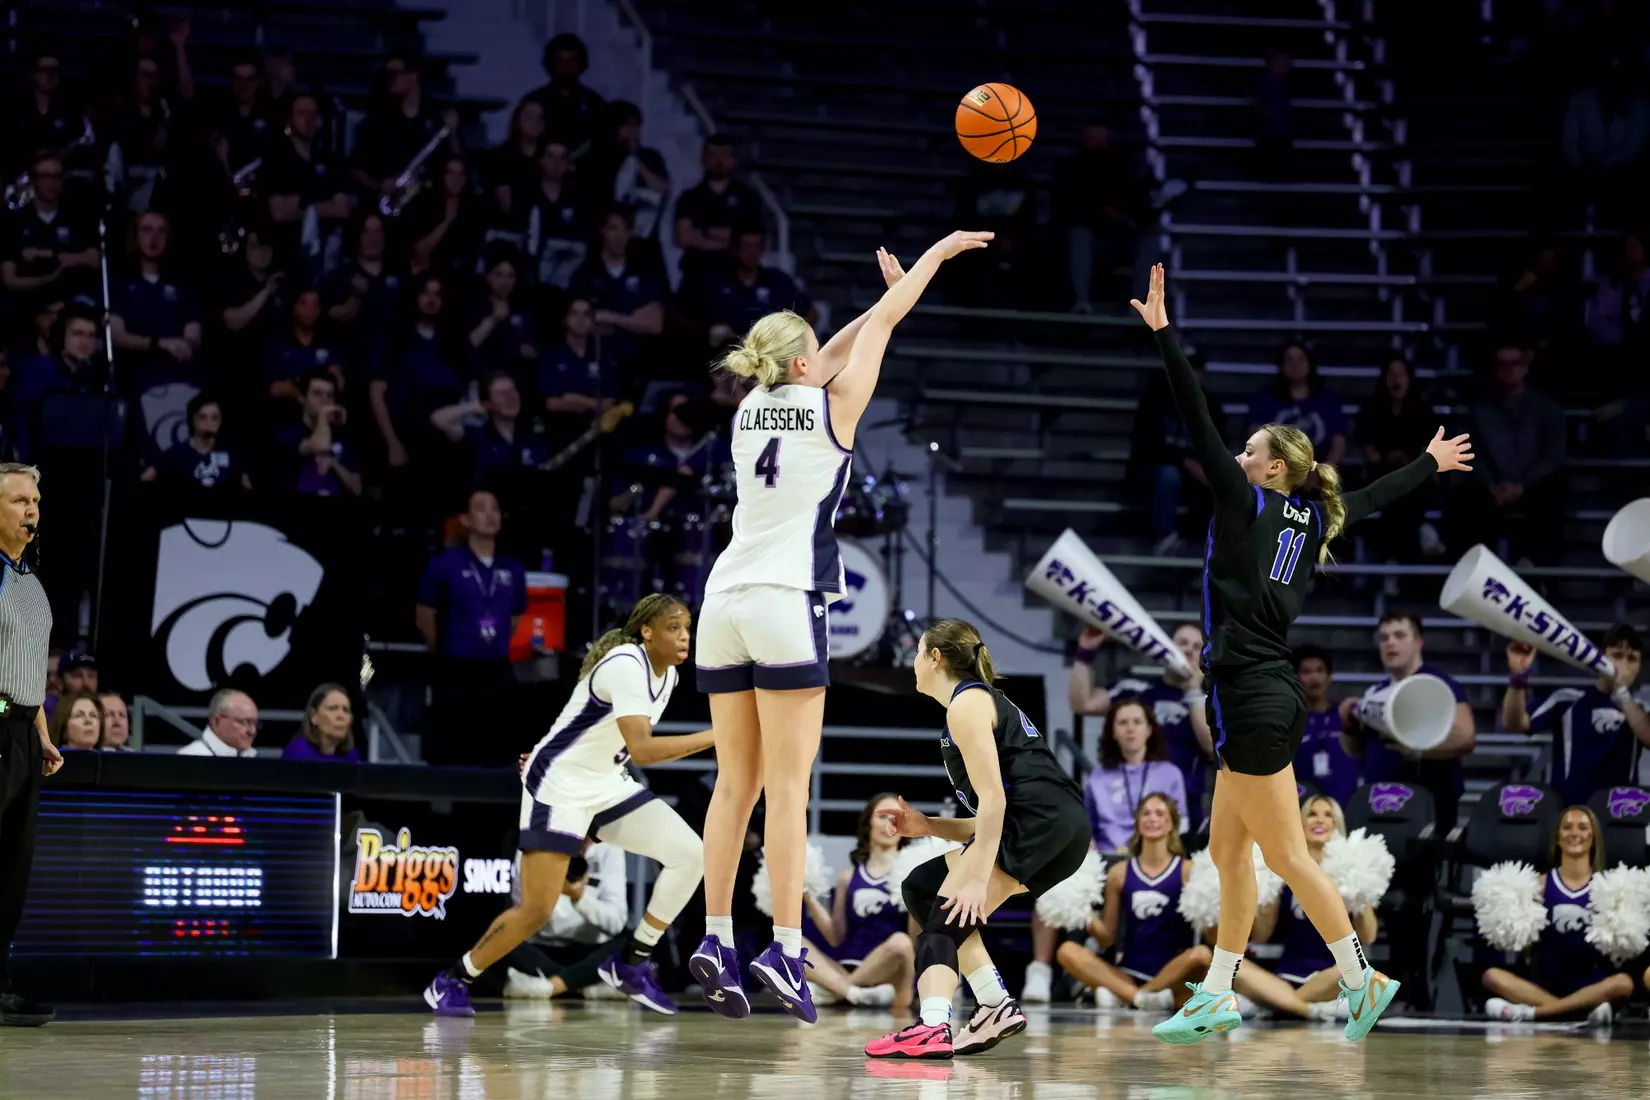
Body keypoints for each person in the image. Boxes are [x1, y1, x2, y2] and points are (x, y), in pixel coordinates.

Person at [1129, 263, 1473, 1044]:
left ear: (1271, 467)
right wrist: (1429, 464)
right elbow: (1376, 498)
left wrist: (1164, 335)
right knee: (1225, 850)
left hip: (1253, 694)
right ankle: (1218, 991)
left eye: (1250, 452)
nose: (1238, 457)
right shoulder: (1312, 517)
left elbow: (1196, 418)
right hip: (1256, 691)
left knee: (1285, 856)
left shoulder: (1248, 502)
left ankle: (1361, 978)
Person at [688, 232, 991, 1023]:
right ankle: (785, 949)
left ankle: (716, 936)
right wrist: (935, 258)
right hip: (787, 601)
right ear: (803, 365)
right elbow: (886, 325)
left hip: (722, 602)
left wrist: (865, 312)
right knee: (787, 790)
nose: (826, 354)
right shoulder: (836, 409)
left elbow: (842, 343)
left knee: (735, 786)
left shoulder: (750, 406)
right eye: (816, 348)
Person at [425, 594, 714, 1017]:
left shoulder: (666, 676)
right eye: (674, 627)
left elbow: (616, 743)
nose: (685, 636)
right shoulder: (626, 664)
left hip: (605, 783)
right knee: (537, 910)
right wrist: (716, 736)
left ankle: (631, 962)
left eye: (688, 628)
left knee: (691, 855)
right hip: (559, 786)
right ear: (647, 631)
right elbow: (644, 749)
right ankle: (453, 978)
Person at [864, 619, 1090, 1059]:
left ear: (936, 657)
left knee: (944, 919)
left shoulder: (965, 704)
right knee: (923, 887)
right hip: (1056, 829)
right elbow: (992, 816)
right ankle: (992, 1003)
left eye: (917, 653)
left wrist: (975, 877)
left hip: (1040, 823)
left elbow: (994, 800)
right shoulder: (976, 705)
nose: (912, 663)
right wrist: (929, 826)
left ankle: (931, 1026)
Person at [0, 462, 64, 1026]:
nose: (32, 512)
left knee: (11, 869)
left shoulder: (30, 582)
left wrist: (42, 734)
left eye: (36, 502)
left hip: (22, 730)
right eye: (21, 501)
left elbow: (29, 672)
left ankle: (0, 985)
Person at [1055, 793, 1208, 1011]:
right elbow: (1107, 938)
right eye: (1145, 813)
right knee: (1067, 950)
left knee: (1202, 954)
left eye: (1159, 813)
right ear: (1137, 823)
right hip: (1128, 974)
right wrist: (1080, 904)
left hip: (1175, 975)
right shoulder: (1119, 873)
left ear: (1171, 823)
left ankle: (1131, 997)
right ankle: (1141, 997)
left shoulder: (1188, 870)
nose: (1151, 818)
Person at [1481, 806, 1633, 1024]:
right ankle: (1578, 1012)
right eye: (1567, 827)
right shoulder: (1536, 886)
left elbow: (1616, 953)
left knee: (1623, 983)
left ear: (1593, 837)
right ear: (1557, 837)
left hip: (1590, 986)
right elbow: (1523, 950)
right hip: (1542, 985)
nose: (1574, 833)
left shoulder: (1607, 889)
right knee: (1492, 976)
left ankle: (1532, 1014)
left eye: (1582, 827)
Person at [1234, 796, 1377, 1021]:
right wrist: (1266, 889)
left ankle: (1278, 1004)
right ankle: (1309, 1010)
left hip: (1332, 978)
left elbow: (1368, 936)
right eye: (1312, 814)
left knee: (1356, 966)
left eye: (1328, 815)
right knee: (1233, 966)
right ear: (1299, 824)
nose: (1319, 820)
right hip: (1285, 977)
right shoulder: (1282, 868)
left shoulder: (1351, 869)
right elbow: (1261, 936)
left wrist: (1359, 891)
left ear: (1336, 825)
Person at [414, 490, 526, 766]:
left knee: (497, 750)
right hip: (457, 668)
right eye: (481, 509)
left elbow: (514, 616)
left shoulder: (513, 568)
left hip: (496, 668)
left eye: (495, 509)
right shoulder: (445, 564)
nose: (490, 515)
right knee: (455, 750)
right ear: (465, 518)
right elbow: (424, 614)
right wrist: (442, 649)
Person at [1339, 613, 1476, 832]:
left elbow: (1466, 737)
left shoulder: (1439, 684)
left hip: (1428, 805)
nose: (1390, 643)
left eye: (1399, 635)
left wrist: (1415, 750)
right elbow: (1357, 751)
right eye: (1384, 638)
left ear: (1418, 642)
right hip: (1379, 804)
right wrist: (1349, 726)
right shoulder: (1375, 691)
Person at [1068, 624, 1212, 827]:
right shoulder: (1137, 690)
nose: (1189, 650)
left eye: (1197, 646)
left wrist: (1194, 692)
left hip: (1183, 811)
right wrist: (1085, 653)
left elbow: (1211, 747)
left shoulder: (1211, 702)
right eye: (1182, 643)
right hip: (1130, 808)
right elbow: (1083, 704)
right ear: (1167, 648)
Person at [1446, 343, 1566, 566]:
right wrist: (1490, 484)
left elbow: (1554, 455)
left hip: (1533, 486)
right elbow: (1471, 451)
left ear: (1525, 367)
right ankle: (1476, 571)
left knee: (1554, 493)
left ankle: (1538, 571)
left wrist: (1522, 486)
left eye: (1515, 363)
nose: (1509, 370)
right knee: (1461, 498)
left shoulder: (1546, 408)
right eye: (1503, 364)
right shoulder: (1480, 410)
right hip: (1492, 488)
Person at [1502, 626, 1648, 806]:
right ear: (1599, 658)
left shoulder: (1641, 711)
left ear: (1639, 667)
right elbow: (1515, 724)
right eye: (1616, 656)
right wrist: (1518, 679)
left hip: (1620, 816)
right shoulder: (1566, 699)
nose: (1623, 665)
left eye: (1632, 659)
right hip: (1570, 814)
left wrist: (1621, 693)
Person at [800, 792, 916, 1012]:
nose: (888, 824)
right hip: (850, 967)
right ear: (869, 822)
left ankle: (836, 991)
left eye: (896, 818)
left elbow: (913, 943)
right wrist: (807, 894)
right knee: (792, 943)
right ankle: (854, 993)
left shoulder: (912, 874)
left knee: (900, 942)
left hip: (892, 971)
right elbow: (836, 937)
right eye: (882, 817)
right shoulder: (848, 876)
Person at [501, 838, 629, 999]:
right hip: (543, 949)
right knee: (501, 940)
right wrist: (551, 891)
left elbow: (616, 922)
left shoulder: (611, 846)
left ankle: (550, 987)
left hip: (591, 951)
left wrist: (580, 898)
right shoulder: (532, 846)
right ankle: (584, 987)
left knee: (630, 943)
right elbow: (522, 915)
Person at [1355, 355, 1443, 564]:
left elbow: (1428, 454)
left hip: (1416, 479)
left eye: (1401, 374)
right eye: (1391, 374)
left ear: (1410, 378)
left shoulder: (1424, 412)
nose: (1396, 379)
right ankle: (1419, 535)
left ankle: (1393, 562)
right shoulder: (1370, 412)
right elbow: (1371, 454)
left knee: (1405, 493)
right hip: (1380, 476)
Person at [1082, 697, 1188, 853]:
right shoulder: (1098, 776)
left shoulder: (1170, 774)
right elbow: (1086, 827)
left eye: (1137, 722)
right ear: (1113, 732)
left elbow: (1182, 825)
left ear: (1149, 730)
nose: (1130, 729)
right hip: (1108, 860)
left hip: (1156, 859)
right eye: (1123, 723)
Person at [673, 134, 763, 288]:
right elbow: (684, 238)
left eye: (725, 155)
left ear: (733, 160)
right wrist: (726, 239)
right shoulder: (689, 198)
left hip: (737, 279)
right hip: (697, 276)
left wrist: (702, 233)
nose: (719, 161)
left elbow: (751, 239)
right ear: (703, 159)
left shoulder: (748, 197)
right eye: (714, 155)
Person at [1246, 342, 1347, 472]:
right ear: (1281, 365)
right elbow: (1255, 439)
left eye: (1300, 359)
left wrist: (1322, 473)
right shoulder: (1264, 399)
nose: (1295, 364)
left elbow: (1339, 443)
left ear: (1309, 363)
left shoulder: (1328, 400)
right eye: (1289, 359)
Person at [1291, 645, 1360, 807]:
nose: (1314, 678)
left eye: (1320, 671)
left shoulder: (1347, 716)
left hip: (1345, 808)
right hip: (1303, 810)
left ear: (1329, 677)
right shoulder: (1289, 721)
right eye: (1306, 672)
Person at [140, 394, 252, 493]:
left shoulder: (232, 456)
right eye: (203, 417)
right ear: (193, 420)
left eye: (215, 418)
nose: (209, 423)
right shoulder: (175, 454)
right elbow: (145, 480)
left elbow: (248, 488)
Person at [275, 370, 362, 497]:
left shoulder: (343, 437)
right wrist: (323, 414)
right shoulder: (289, 433)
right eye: (317, 394)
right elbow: (321, 446)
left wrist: (334, 464)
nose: (324, 400)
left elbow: (357, 488)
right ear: (303, 398)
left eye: (329, 395)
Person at [523, 34, 607, 156]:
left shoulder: (596, 104)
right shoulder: (533, 102)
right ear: (549, 64)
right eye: (559, 60)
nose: (566, 66)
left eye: (572, 60)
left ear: (582, 64)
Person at [464, 254, 538, 384]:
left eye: (510, 276)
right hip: (483, 379)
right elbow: (468, 345)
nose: (504, 281)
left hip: (515, 381)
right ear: (488, 276)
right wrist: (493, 319)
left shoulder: (523, 313)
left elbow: (532, 351)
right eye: (498, 275)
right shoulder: (473, 308)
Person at [282, 683, 359, 762]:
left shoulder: (351, 754)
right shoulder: (298, 751)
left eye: (345, 710)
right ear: (314, 716)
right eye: (332, 708)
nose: (341, 716)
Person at [177, 689, 260, 757]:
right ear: (217, 721)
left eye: (255, 724)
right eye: (242, 722)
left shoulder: (254, 759)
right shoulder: (189, 759)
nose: (252, 731)